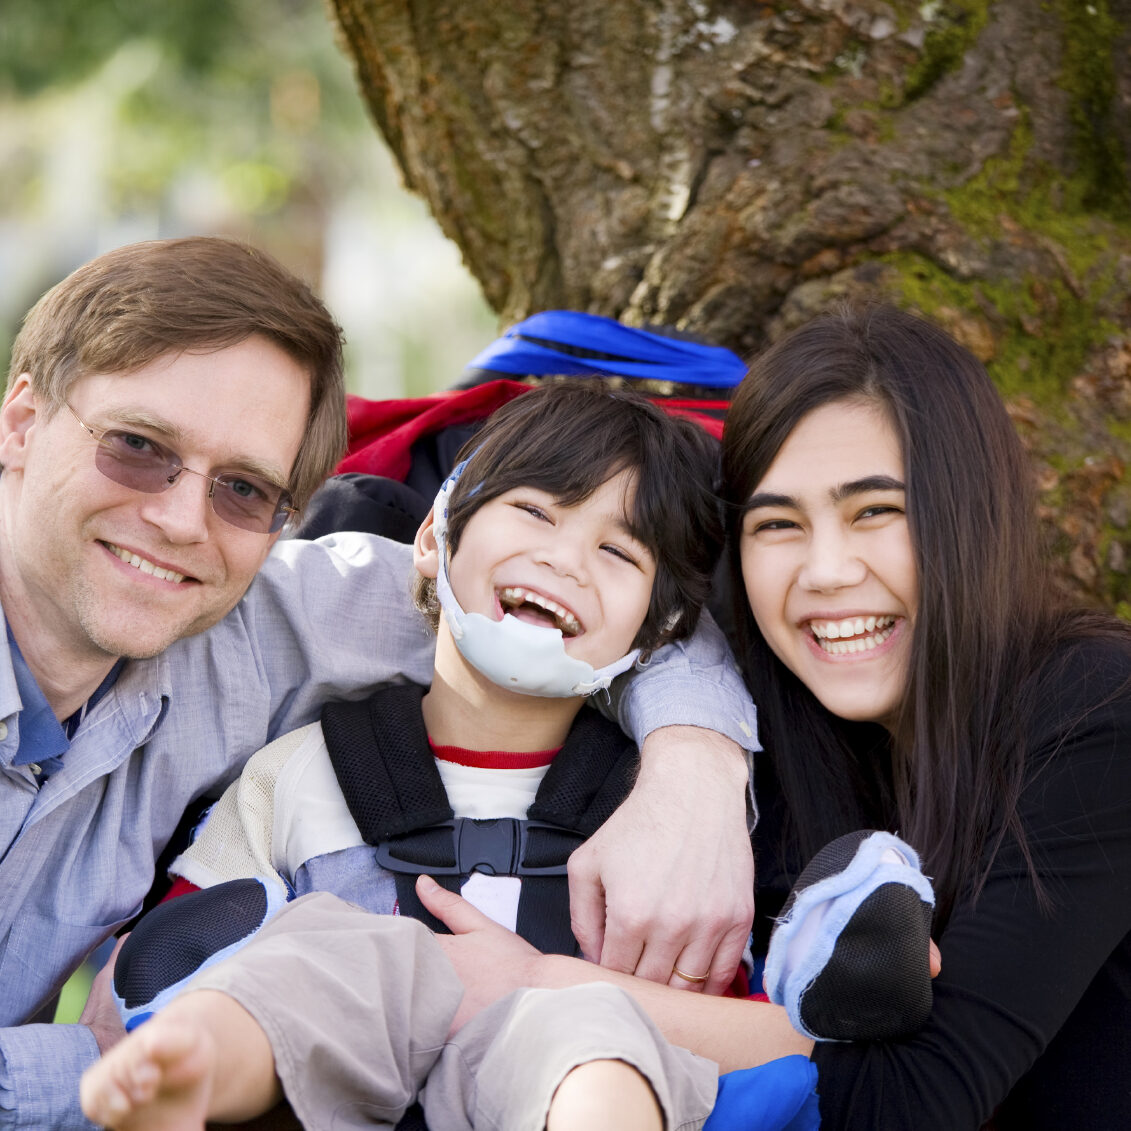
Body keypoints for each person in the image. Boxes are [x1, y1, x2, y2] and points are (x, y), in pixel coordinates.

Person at [186, 302, 1124, 1131]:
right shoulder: (797, 732)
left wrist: (537, 984)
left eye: (874, 513)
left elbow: (907, 1100)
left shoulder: (1098, 712)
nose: (826, 572)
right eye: (777, 525)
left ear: (970, 516)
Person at [0, 238, 764, 1129]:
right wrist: (100, 1069)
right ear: (20, 423)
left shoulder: (251, 625)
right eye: (137, 445)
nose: (178, 520)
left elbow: (569, 615)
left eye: (244, 489)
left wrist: (694, 774)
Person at [80, 381, 939, 1131]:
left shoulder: (654, 823)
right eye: (532, 510)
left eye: (616, 551)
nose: (563, 557)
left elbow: (731, 1013)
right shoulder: (306, 770)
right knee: (321, 961)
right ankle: (185, 1070)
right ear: (432, 538)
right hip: (320, 1072)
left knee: (590, 1040)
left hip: (554, 1065)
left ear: (659, 632)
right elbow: (205, 919)